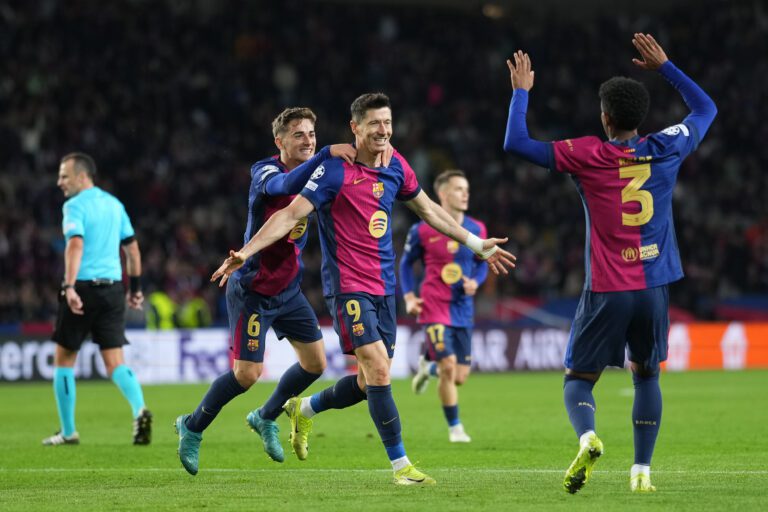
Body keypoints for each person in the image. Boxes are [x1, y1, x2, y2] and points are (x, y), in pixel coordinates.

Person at [211, 92, 516, 485]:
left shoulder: (397, 166)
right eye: (374, 123)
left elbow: (428, 210)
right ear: (355, 128)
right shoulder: (334, 170)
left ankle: (304, 409)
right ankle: (400, 466)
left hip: (382, 286)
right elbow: (289, 214)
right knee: (376, 366)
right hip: (347, 286)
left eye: (387, 123)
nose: (383, 131)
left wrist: (474, 243)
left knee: (369, 380)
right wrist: (246, 251)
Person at [503, 34, 716, 493]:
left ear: (604, 118)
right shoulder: (666, 146)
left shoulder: (586, 153)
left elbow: (516, 142)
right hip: (655, 286)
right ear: (640, 118)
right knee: (647, 375)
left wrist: (521, 92)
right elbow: (706, 110)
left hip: (608, 287)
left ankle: (589, 436)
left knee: (577, 380)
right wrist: (666, 68)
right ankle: (642, 472)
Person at [174, 107, 357, 476]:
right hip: (253, 290)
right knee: (246, 375)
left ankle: (265, 416)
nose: (308, 141)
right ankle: (191, 428)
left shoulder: (317, 176)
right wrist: (325, 156)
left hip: (288, 290)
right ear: (280, 141)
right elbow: (283, 188)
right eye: (298, 135)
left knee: (316, 364)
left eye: (312, 134)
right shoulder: (265, 171)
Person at [45, 152, 152, 446]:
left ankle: (68, 432)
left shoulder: (74, 206)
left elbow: (75, 245)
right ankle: (139, 409)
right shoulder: (115, 205)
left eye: (64, 176)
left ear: (82, 177)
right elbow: (132, 251)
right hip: (114, 289)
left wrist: (68, 287)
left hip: (83, 287)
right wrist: (136, 289)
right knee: (115, 362)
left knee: (64, 359)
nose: (59, 182)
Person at [400, 169, 488, 443]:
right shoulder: (422, 229)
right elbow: (405, 264)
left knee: (459, 376)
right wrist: (409, 297)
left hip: (462, 308)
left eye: (467, 189)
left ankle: (428, 364)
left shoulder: (476, 229)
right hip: (433, 305)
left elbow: (481, 263)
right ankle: (455, 428)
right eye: (459, 189)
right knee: (448, 367)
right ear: (442, 194)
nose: (465, 194)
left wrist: (476, 282)